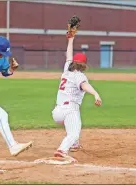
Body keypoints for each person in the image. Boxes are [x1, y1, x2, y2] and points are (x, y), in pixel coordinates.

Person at [51, 30, 102, 162]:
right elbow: (85, 86)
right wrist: (96, 94)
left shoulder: (67, 68)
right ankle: (62, 150)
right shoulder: (79, 75)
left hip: (57, 112)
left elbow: (68, 55)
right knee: (74, 131)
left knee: (74, 120)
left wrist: (71, 39)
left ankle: (74, 144)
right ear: (84, 65)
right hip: (69, 110)